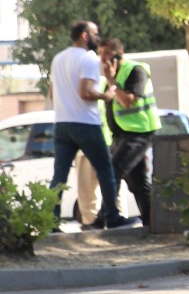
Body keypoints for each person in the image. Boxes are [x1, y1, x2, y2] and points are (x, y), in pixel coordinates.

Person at [49, 20, 137, 230]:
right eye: (95, 34)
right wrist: (106, 95)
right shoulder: (88, 59)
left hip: (62, 123)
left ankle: (51, 220)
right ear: (85, 36)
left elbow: (52, 93)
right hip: (85, 123)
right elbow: (85, 92)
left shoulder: (58, 59)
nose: (99, 37)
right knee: (106, 169)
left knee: (59, 175)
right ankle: (113, 217)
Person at [98, 37, 157, 226]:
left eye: (106, 54)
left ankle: (106, 218)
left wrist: (110, 79)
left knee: (113, 171)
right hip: (121, 134)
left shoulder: (135, 70)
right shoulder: (113, 75)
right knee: (138, 184)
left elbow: (128, 101)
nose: (102, 59)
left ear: (119, 53)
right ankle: (152, 222)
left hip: (140, 132)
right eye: (100, 54)